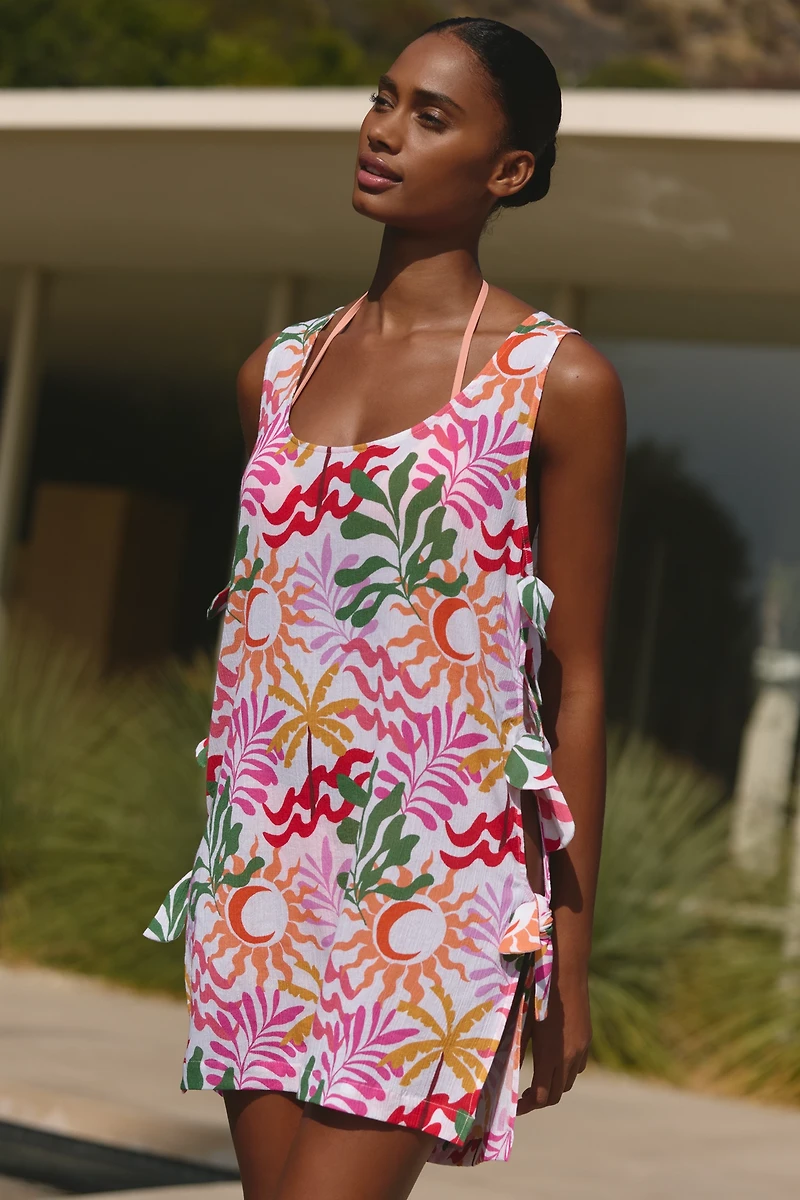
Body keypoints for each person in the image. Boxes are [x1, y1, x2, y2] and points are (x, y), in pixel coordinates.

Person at [145, 14, 625, 1200]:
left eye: (430, 116)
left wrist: (565, 951)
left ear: (506, 172)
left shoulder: (553, 382)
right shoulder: (276, 374)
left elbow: (575, 680)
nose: (383, 131)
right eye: (382, 98)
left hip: (439, 883)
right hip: (261, 869)